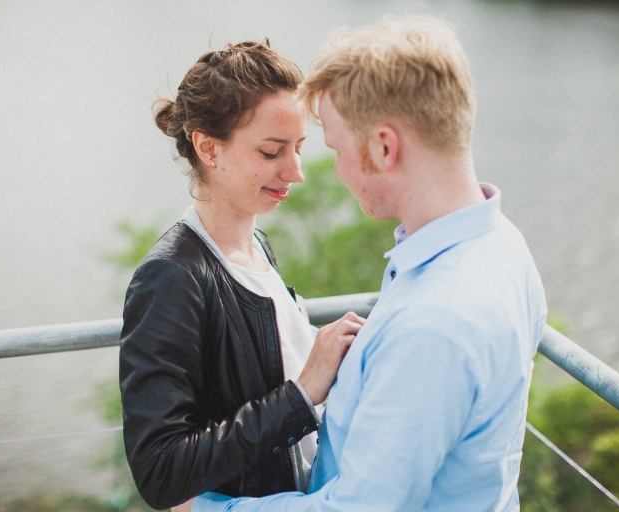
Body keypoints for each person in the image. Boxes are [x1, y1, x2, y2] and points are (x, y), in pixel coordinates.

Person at [192, 15, 548, 511]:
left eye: (337, 149)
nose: (330, 170)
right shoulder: (504, 245)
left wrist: (209, 510)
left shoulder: (433, 324)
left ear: (383, 147)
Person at [118, 40, 365, 511]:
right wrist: (301, 395)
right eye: (272, 152)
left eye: (298, 148)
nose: (296, 172)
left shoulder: (258, 248)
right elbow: (160, 471)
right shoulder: (171, 279)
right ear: (208, 147)